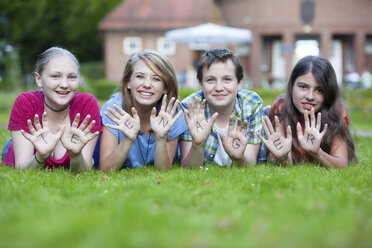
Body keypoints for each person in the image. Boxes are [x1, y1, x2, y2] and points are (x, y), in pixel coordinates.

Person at [1, 47, 101, 170]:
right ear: (39, 79)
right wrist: (40, 156)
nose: (64, 85)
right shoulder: (25, 102)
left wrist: (76, 155)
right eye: (55, 76)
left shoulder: (87, 104)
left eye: (71, 77)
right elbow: (22, 169)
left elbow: (84, 170)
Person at [258, 55, 357, 168]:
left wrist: (317, 153)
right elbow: (286, 164)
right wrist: (283, 158)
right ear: (292, 86)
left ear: (328, 93)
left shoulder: (336, 111)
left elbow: (342, 164)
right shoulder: (281, 106)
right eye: (303, 87)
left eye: (319, 90)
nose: (310, 96)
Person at [99, 50, 187, 171]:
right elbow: (106, 169)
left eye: (156, 79)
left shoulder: (173, 113)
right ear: (128, 82)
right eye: (140, 76)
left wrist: (161, 138)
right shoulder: (114, 109)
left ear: (166, 87)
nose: (147, 84)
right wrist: (128, 139)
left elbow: (163, 170)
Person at [180, 48, 265, 168]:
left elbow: (250, 164)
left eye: (227, 79)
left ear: (239, 83)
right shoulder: (190, 107)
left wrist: (238, 158)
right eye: (210, 80)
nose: (219, 87)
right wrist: (197, 145)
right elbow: (187, 169)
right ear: (200, 84)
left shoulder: (251, 104)